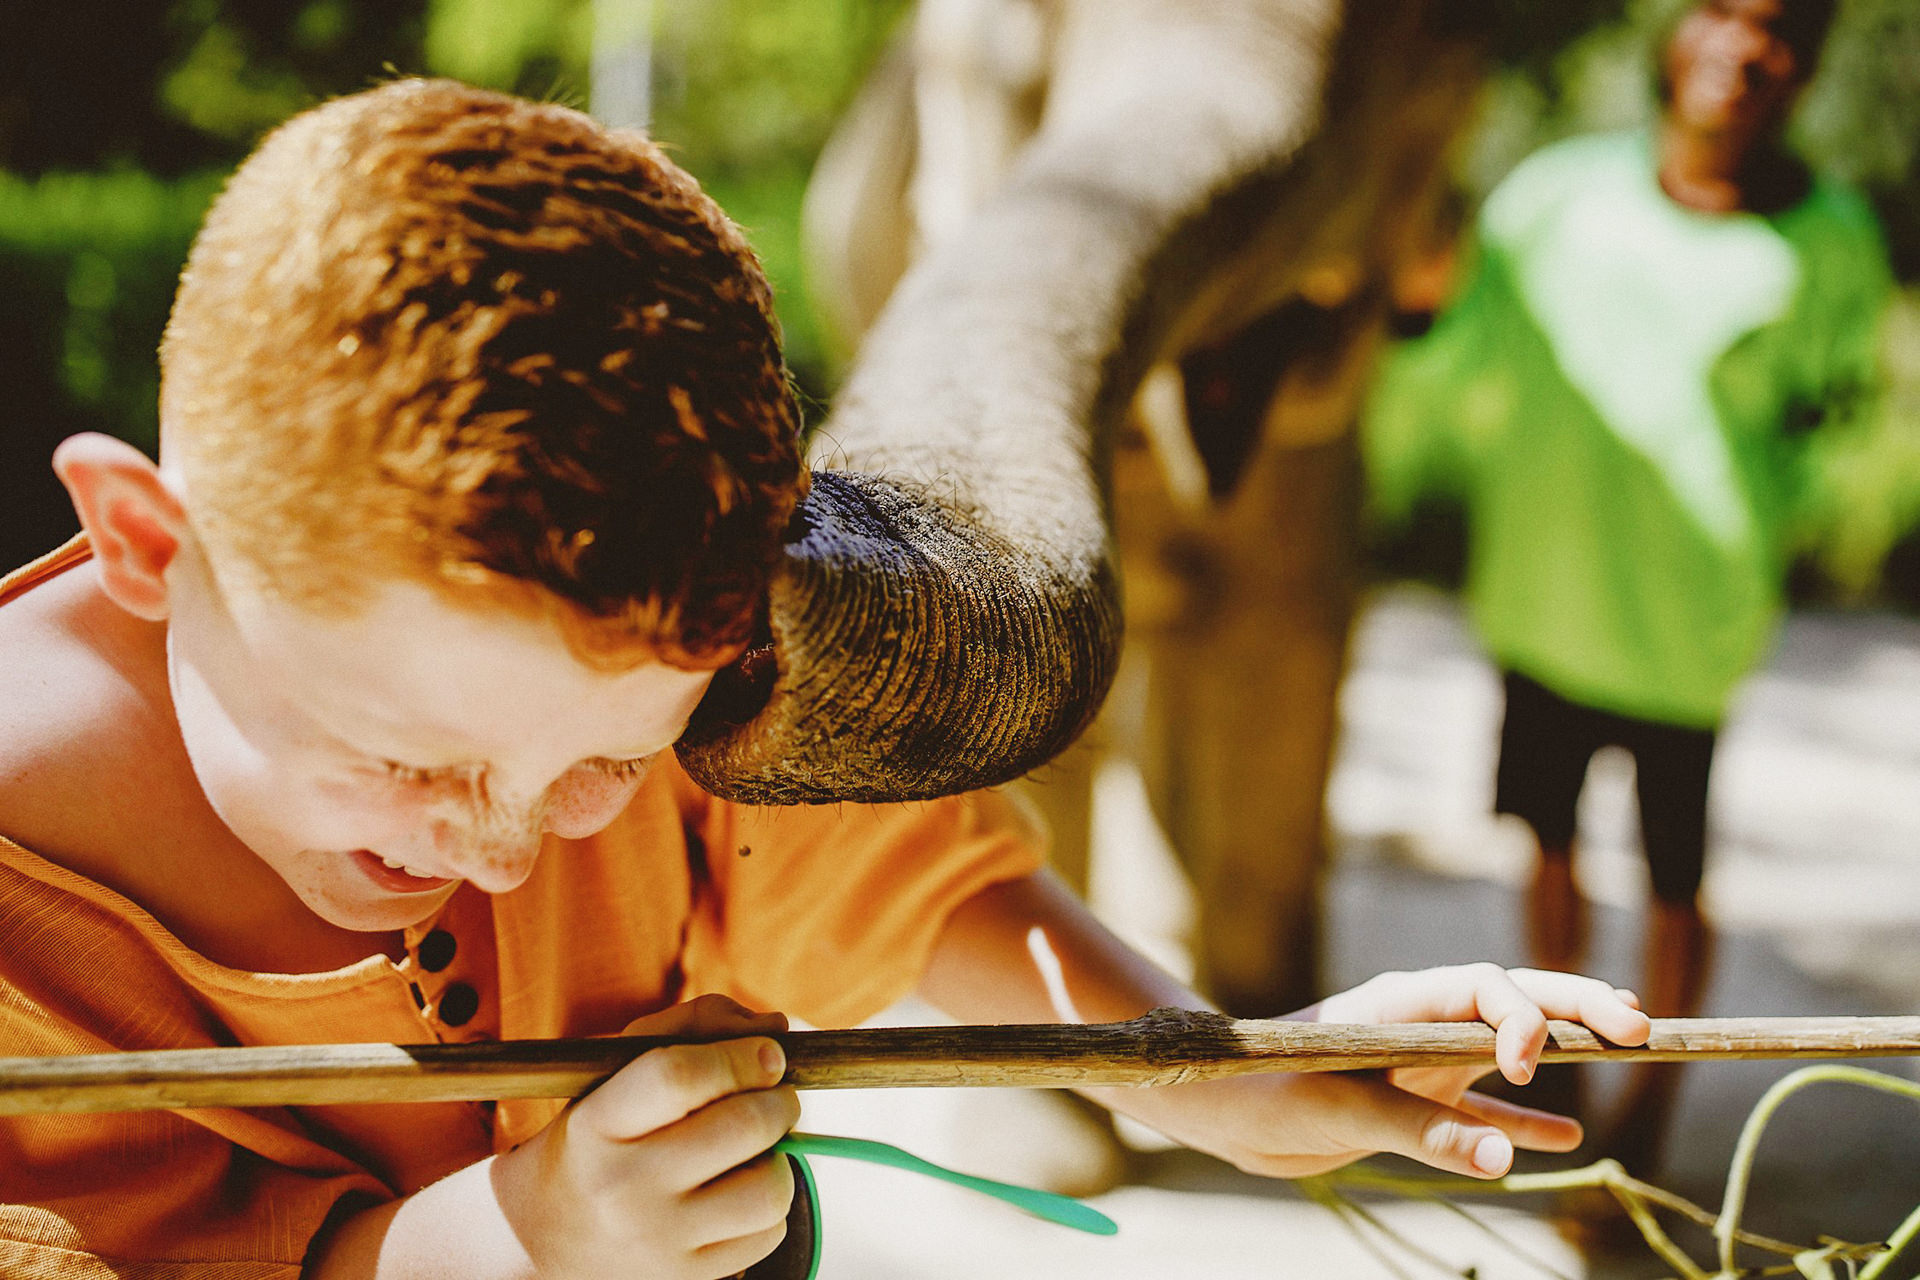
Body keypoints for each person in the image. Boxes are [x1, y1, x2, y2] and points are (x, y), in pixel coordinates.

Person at [0, 79, 1651, 1279]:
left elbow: (875, 859)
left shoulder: (604, 712)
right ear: (151, 544)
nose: (511, 853)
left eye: (601, 774)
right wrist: (509, 1245)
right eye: (406, 761)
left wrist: (1209, 1071)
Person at [1364, 0, 1892, 1173]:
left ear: (1803, 67)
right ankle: (1557, 1079)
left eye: (1781, 30)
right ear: (1675, 33)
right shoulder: (1555, 196)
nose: (1746, 50)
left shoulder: (1831, 237)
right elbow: (1460, 360)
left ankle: (1648, 1116)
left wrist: (1769, 525)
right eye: (1722, 12)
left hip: (1688, 628)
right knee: (1547, 846)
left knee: (1674, 881)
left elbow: (1832, 413)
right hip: (1543, 599)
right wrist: (1414, 298)